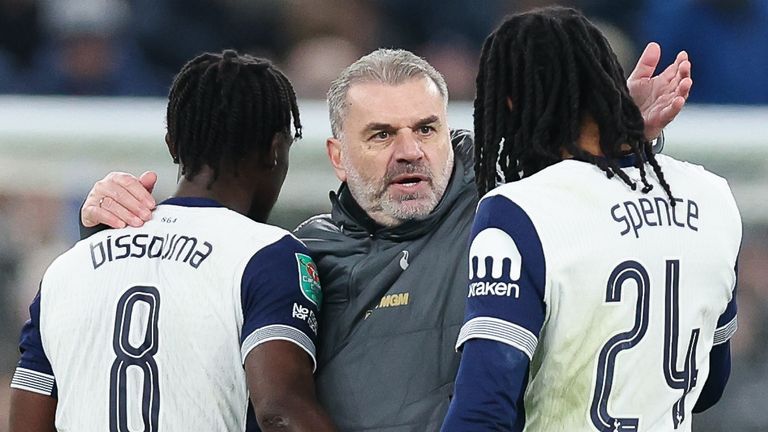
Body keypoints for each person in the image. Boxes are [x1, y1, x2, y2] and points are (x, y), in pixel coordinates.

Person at [78, 41, 692, 430]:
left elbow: (592, 193)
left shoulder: (505, 202)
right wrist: (104, 214)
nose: (410, 153)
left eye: (426, 129)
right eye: (380, 135)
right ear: (337, 156)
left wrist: (618, 138)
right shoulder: (296, 255)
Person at [441, 7, 740, 431]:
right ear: (609, 84)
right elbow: (711, 384)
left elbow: (484, 409)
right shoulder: (712, 196)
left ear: (508, 103)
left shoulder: (517, 212)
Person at [9, 50, 336, 432]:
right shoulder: (267, 255)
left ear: (171, 145)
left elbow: (25, 423)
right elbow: (280, 411)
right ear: (275, 149)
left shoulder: (66, 269)